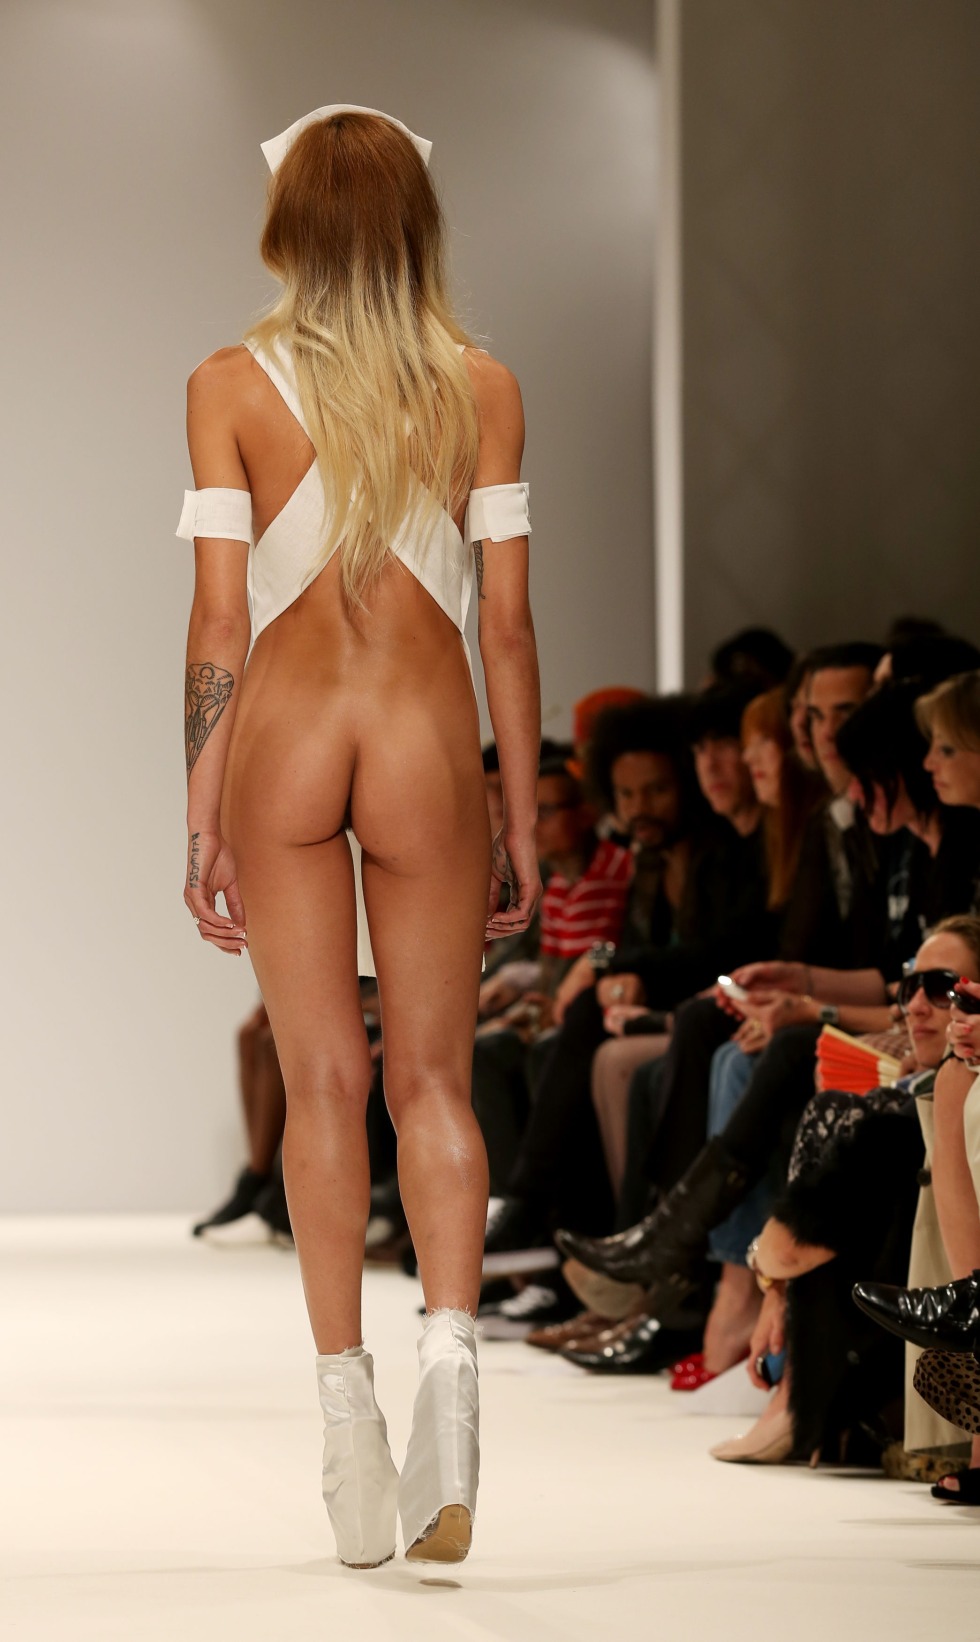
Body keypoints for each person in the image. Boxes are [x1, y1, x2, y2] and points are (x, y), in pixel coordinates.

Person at [176, 105, 540, 1568]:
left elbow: (220, 618)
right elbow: (504, 626)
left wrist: (199, 807)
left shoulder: (227, 385)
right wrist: (519, 811)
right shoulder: (481, 388)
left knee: (323, 1085)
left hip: (284, 739)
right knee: (433, 1081)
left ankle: (349, 1428)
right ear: (416, 222)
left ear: (286, 226)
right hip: (423, 740)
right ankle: (453, 1372)